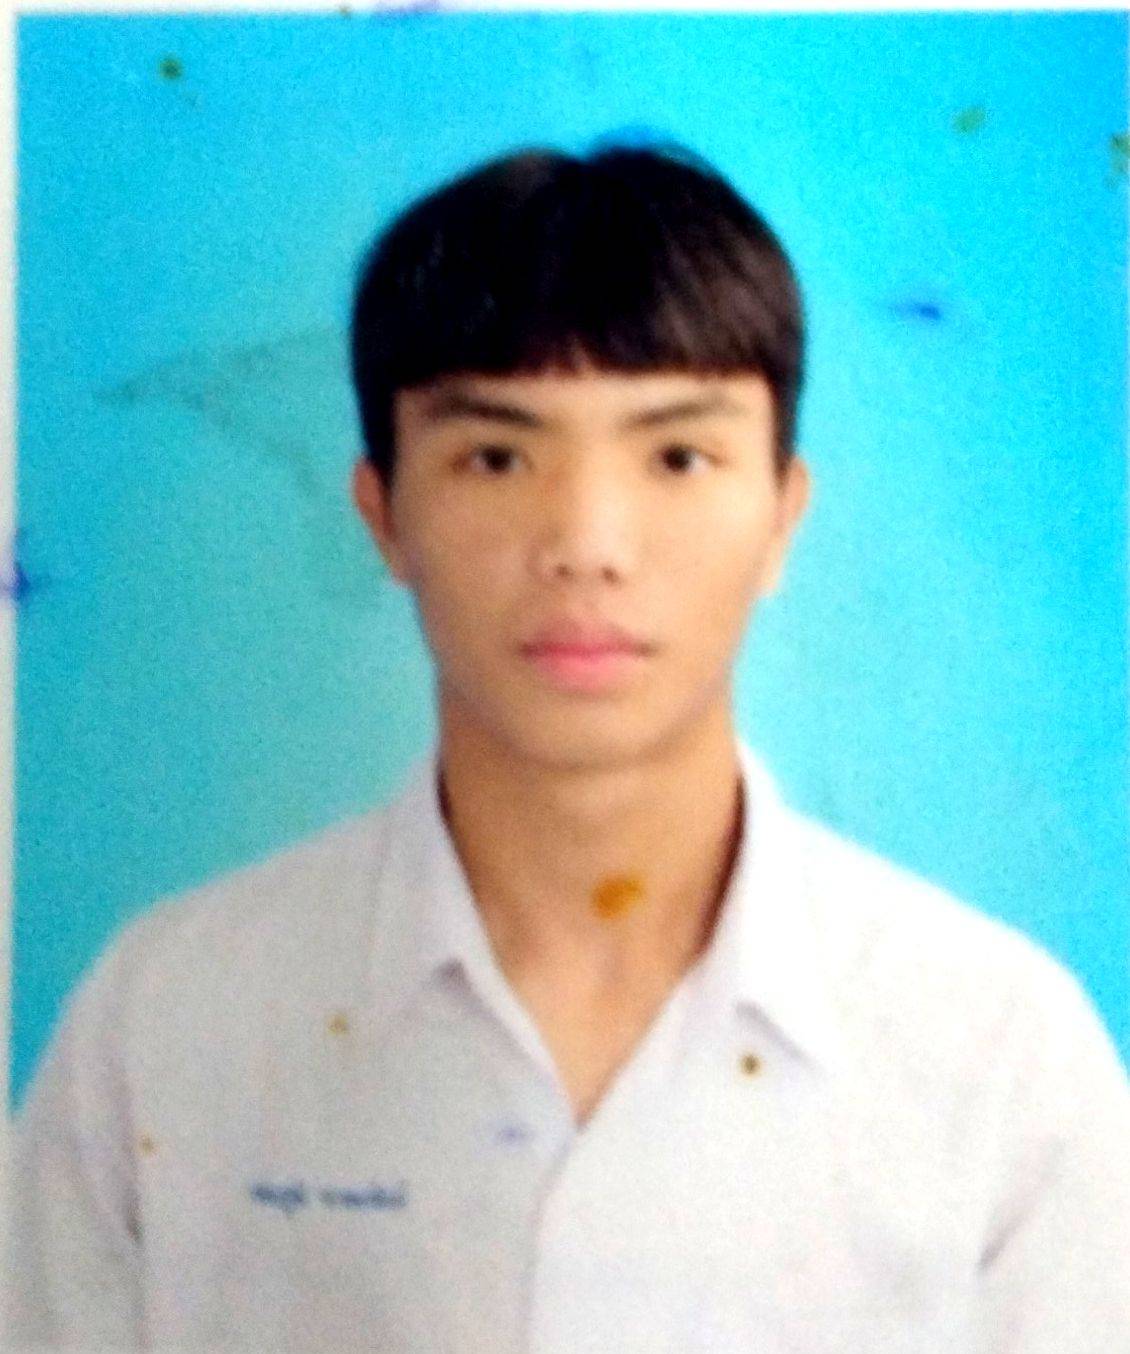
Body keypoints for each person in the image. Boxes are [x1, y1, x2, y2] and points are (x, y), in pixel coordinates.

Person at [7, 141, 1129, 1354]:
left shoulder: (998, 1055)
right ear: (383, 515)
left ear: (780, 516)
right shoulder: (167, 1023)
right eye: (495, 456)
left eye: (676, 456)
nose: (586, 543)